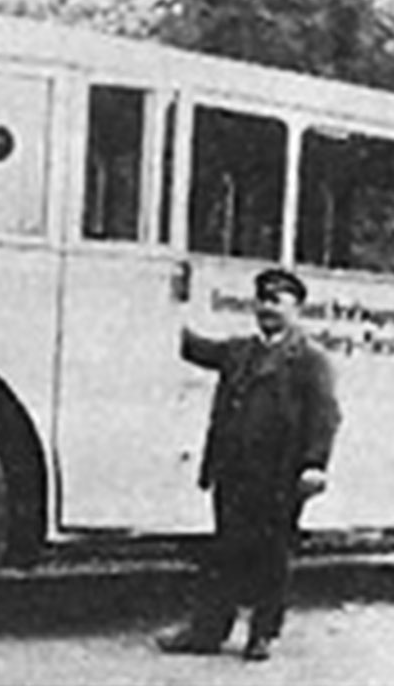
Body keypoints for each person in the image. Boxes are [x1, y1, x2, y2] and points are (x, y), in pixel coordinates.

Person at [157, 267, 341, 662]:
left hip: (279, 476)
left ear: (297, 308)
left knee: (272, 557)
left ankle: (262, 634)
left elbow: (325, 416)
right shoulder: (239, 351)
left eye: (277, 301)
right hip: (233, 472)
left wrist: (314, 464)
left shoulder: (310, 359)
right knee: (224, 553)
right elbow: (193, 348)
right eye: (262, 300)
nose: (267, 308)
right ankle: (207, 632)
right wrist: (164, 309)